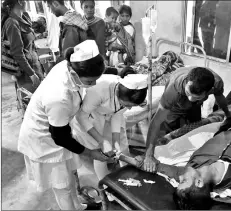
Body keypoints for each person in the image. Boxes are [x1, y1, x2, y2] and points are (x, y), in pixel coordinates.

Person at [17, 40, 114, 210]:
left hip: (58, 129)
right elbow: (60, 137)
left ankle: (78, 206)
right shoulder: (59, 96)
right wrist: (92, 153)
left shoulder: (68, 65)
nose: (93, 85)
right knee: (61, 186)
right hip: (43, 139)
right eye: (91, 81)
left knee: (70, 177)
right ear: (75, 72)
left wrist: (100, 141)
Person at [122, 117, 231, 210]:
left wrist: (122, 157)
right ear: (199, 182)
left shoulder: (186, 171)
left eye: (180, 181)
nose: (179, 178)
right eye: (184, 181)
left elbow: (152, 166)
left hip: (227, 126)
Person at [143, 66, 231, 172]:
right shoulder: (173, 91)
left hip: (196, 105)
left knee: (195, 127)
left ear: (209, 91)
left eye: (196, 97)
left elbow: (220, 97)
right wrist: (148, 155)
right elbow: (156, 122)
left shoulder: (216, 83)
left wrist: (228, 114)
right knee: (170, 130)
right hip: (176, 103)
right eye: (189, 93)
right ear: (187, 82)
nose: (190, 99)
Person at [72, 71, 148, 181]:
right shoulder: (98, 90)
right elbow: (81, 116)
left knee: (121, 146)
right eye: (127, 105)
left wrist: (116, 142)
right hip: (91, 117)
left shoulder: (128, 96)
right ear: (117, 92)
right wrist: (102, 141)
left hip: (108, 115)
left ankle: (128, 177)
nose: (130, 109)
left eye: (132, 106)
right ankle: (105, 185)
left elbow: (117, 114)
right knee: (101, 152)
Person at [2, 0, 44, 93]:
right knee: (32, 103)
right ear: (20, 2)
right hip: (26, 74)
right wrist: (32, 75)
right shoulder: (12, 23)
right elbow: (17, 53)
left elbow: (29, 45)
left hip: (36, 67)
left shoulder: (25, 17)